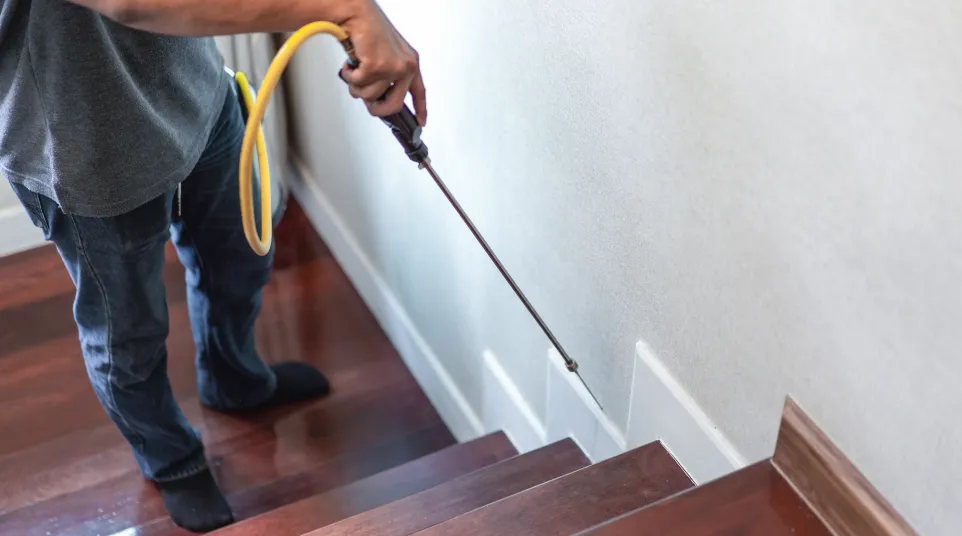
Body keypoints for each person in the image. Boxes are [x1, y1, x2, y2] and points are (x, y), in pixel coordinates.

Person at [0, 0, 427, 532]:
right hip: (82, 147)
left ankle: (233, 379)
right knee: (127, 334)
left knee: (240, 260)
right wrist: (347, 10)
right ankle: (169, 456)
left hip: (196, 90)